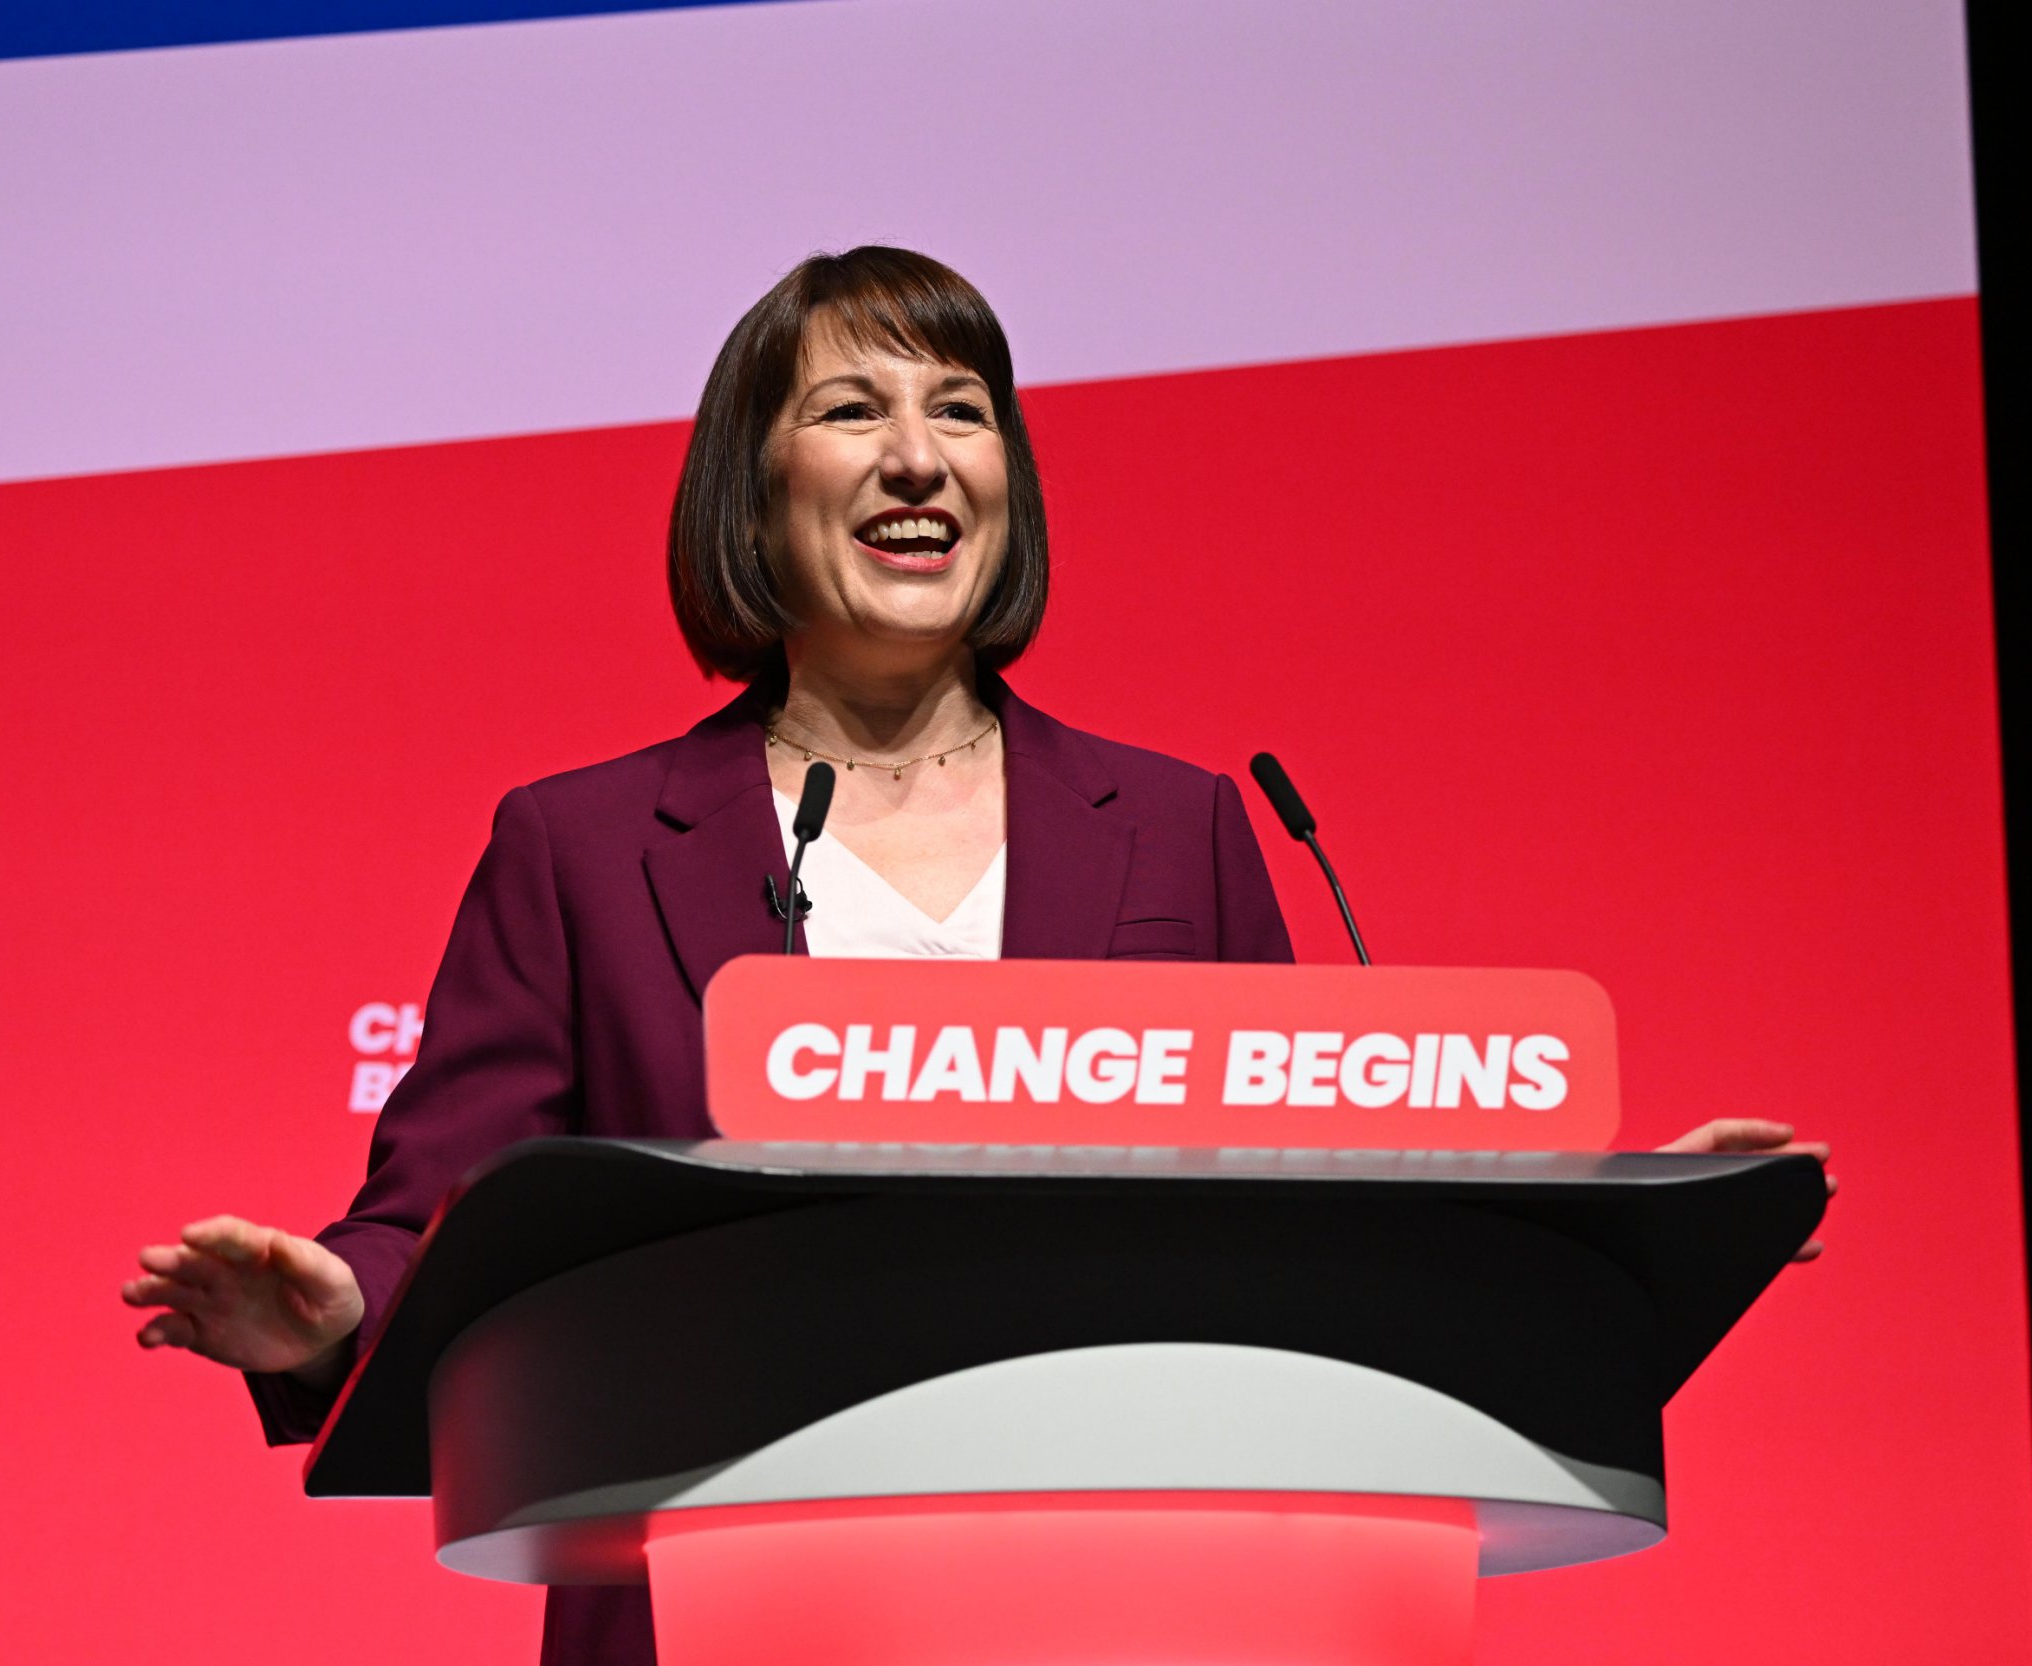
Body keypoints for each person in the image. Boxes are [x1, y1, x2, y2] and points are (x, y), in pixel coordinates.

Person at [122, 247, 1830, 1666]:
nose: (920, 458)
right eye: (851, 409)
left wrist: (1609, 1217)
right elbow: (440, 1205)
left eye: (962, 410)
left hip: (1148, 1599)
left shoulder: (1181, 826)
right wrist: (338, 1309)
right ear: (753, 484)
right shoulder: (576, 844)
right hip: (712, 1601)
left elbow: (1333, 1179)